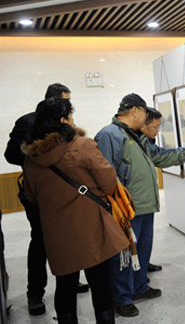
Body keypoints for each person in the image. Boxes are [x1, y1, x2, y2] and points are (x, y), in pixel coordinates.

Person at [22, 98, 129, 324]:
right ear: (63, 120)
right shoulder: (83, 146)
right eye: (70, 115)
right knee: (100, 281)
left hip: (56, 231)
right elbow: (109, 183)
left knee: (65, 285)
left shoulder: (31, 160)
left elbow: (31, 197)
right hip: (91, 225)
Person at [94, 94, 185, 317]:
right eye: (144, 112)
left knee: (142, 251)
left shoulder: (136, 136)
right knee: (124, 256)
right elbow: (104, 174)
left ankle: (139, 287)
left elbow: (158, 157)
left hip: (145, 206)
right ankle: (122, 298)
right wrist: (115, 206)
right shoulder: (110, 135)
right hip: (126, 209)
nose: (146, 118)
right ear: (135, 110)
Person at [4, 83, 89, 316]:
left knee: (71, 235)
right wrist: (38, 158)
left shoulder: (68, 126)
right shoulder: (27, 122)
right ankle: (35, 294)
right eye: (66, 102)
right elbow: (11, 154)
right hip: (39, 193)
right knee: (41, 241)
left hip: (68, 192)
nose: (70, 110)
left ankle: (71, 278)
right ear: (53, 101)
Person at [140, 108, 166, 274]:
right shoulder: (117, 138)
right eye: (155, 127)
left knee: (145, 241)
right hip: (135, 202)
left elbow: (158, 156)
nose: (157, 131)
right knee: (137, 241)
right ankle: (137, 278)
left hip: (146, 200)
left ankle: (142, 268)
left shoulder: (145, 142)